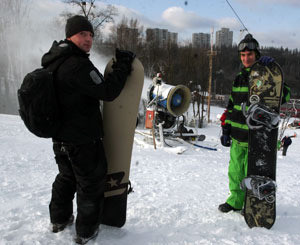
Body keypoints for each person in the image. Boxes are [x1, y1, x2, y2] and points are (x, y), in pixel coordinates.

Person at [41, 15, 135, 244]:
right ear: (69, 35)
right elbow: (107, 91)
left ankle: (59, 219)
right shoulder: (77, 65)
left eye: (91, 35)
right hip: (82, 139)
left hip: (60, 138)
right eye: (82, 34)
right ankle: (86, 231)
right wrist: (123, 66)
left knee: (66, 177)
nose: (88, 39)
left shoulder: (54, 60)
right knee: (91, 183)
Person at [218, 34, 290, 213]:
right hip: (237, 136)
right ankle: (235, 201)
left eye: (249, 54)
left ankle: (250, 204)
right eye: (242, 55)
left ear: (256, 55)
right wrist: (226, 128)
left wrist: (271, 71)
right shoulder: (239, 77)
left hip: (255, 137)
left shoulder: (265, 76)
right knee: (235, 173)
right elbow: (232, 105)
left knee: (253, 174)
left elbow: (284, 95)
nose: (245, 58)